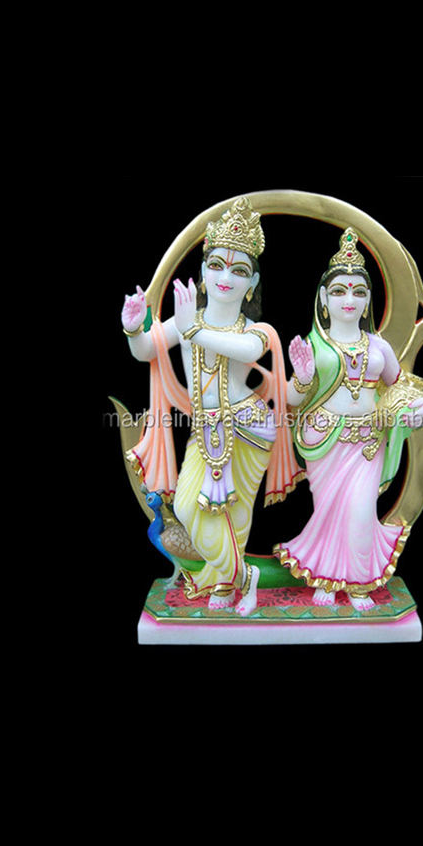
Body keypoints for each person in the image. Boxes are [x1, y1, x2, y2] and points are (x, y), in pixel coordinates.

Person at [122, 197, 302, 615]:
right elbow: (147, 350)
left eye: (239, 270)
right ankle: (244, 577)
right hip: (205, 429)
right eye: (216, 265)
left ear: (252, 283)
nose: (225, 277)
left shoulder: (256, 330)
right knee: (188, 508)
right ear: (202, 272)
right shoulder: (188, 321)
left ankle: (224, 586)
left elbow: (243, 350)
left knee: (233, 515)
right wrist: (132, 328)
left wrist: (193, 331)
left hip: (250, 427)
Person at [274, 228, 423, 611]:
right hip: (324, 442)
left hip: (367, 443)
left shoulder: (378, 346)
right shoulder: (314, 345)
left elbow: (400, 387)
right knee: (329, 514)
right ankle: (327, 579)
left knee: (360, 513)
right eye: (338, 291)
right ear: (323, 299)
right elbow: (289, 399)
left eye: (358, 292)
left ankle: (359, 582)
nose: (348, 300)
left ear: (367, 301)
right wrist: (302, 379)